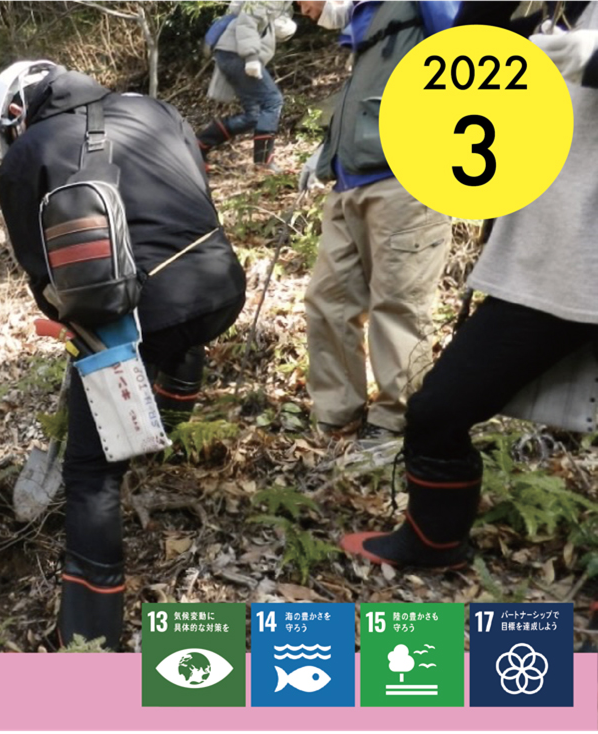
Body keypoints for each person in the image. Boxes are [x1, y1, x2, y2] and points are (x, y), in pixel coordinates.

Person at [0, 61, 246, 649]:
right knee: (179, 330)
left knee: (91, 474)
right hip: (223, 284)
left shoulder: (27, 153)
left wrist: (76, 329)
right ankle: (171, 426)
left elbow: (44, 272)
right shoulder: (156, 108)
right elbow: (193, 196)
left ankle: (88, 633)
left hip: (142, 317)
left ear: (16, 114)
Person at [341, 2, 598, 570]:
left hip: (578, 253)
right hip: (551, 257)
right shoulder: (551, 9)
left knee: (440, 408)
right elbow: (465, 51)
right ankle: (433, 543)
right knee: (441, 408)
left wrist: (594, 54)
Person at [296, 0, 460, 448]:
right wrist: (326, 150)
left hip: (406, 179)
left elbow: (467, 54)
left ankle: (394, 427)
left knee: (398, 306)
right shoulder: (365, 15)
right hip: (349, 179)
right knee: (327, 300)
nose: (302, 9)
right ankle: (335, 417)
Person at [197, 1, 297, 170]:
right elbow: (247, 21)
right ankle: (264, 162)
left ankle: (198, 145)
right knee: (272, 101)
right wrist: (251, 58)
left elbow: (264, 21)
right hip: (237, 53)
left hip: (231, 52)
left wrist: (282, 25)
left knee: (255, 115)